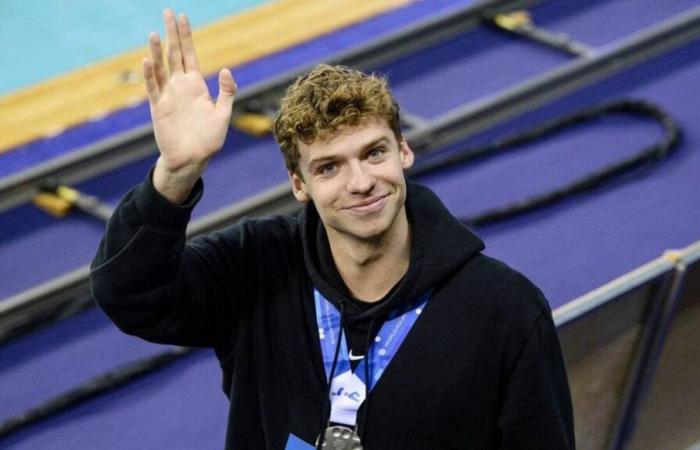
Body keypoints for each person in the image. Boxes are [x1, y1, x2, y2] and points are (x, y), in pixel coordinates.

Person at [90, 9, 575, 450]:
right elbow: (131, 295)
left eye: (374, 153)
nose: (361, 183)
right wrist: (177, 172)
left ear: (403, 151)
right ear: (299, 184)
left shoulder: (503, 308)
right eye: (328, 168)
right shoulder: (255, 266)